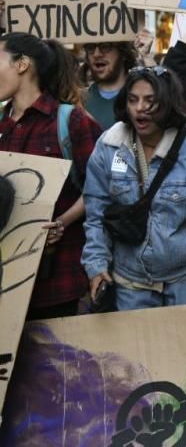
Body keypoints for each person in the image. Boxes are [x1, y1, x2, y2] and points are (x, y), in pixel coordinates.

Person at [82, 67, 186, 310]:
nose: (140, 108)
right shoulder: (108, 146)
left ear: (168, 103)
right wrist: (96, 265)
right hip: (130, 284)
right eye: (133, 100)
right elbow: (95, 213)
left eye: (151, 101)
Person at [0, 33, 103, 319]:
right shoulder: (1, 123)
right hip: (7, 279)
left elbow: (98, 190)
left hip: (57, 281)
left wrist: (62, 221)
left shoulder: (70, 121)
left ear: (22, 65)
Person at [82, 41, 139, 130]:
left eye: (105, 46)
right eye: (90, 47)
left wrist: (148, 58)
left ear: (123, 53)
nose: (96, 54)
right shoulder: (80, 101)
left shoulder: (141, 98)